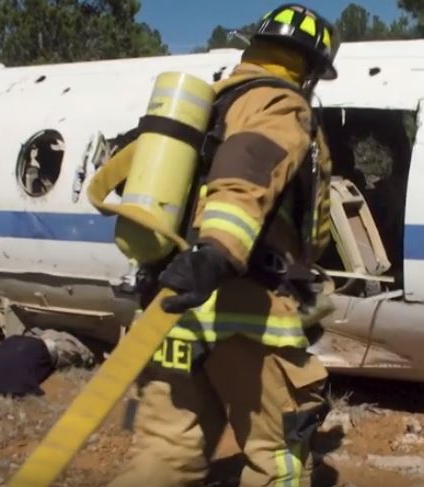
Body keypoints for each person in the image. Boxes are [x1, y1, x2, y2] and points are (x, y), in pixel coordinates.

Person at [108, 4, 339, 486]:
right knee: (277, 454)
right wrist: (217, 251)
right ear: (311, 68)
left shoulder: (209, 107)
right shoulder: (279, 103)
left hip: (172, 310)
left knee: (165, 451)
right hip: (245, 312)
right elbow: (249, 168)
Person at [0, 327, 95, 397]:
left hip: (62, 351)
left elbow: (30, 391)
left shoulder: (3, 383)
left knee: (88, 355)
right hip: (47, 337)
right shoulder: (1, 350)